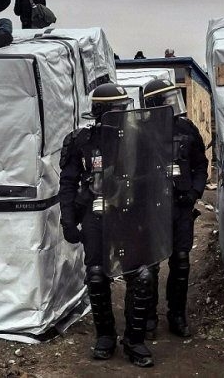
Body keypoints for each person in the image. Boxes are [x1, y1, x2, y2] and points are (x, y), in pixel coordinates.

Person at [58, 83, 156, 367]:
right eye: (117, 110)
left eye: (124, 108)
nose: (123, 114)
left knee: (141, 275)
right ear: (101, 112)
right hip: (96, 213)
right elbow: (68, 183)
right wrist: (68, 220)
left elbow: (155, 176)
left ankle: (135, 340)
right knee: (97, 276)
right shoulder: (82, 141)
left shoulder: (139, 138)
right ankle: (105, 336)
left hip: (130, 214)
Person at [142, 79, 208, 339]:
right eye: (167, 100)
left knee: (180, 262)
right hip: (152, 209)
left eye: (173, 98)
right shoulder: (140, 132)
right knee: (150, 266)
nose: (173, 104)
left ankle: (177, 315)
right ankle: (148, 317)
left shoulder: (186, 129)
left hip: (181, 206)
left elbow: (200, 165)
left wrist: (194, 192)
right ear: (154, 104)